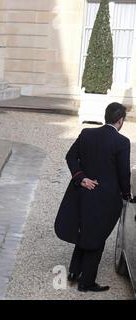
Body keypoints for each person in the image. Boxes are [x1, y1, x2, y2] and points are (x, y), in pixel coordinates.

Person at [55, 102, 131, 292]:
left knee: (84, 231)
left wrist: (81, 178)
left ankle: (74, 272)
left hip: (83, 193)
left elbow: (70, 157)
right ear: (120, 121)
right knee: (97, 238)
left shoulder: (86, 134)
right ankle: (86, 282)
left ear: (106, 116)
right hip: (105, 199)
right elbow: (123, 174)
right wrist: (127, 194)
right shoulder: (122, 142)